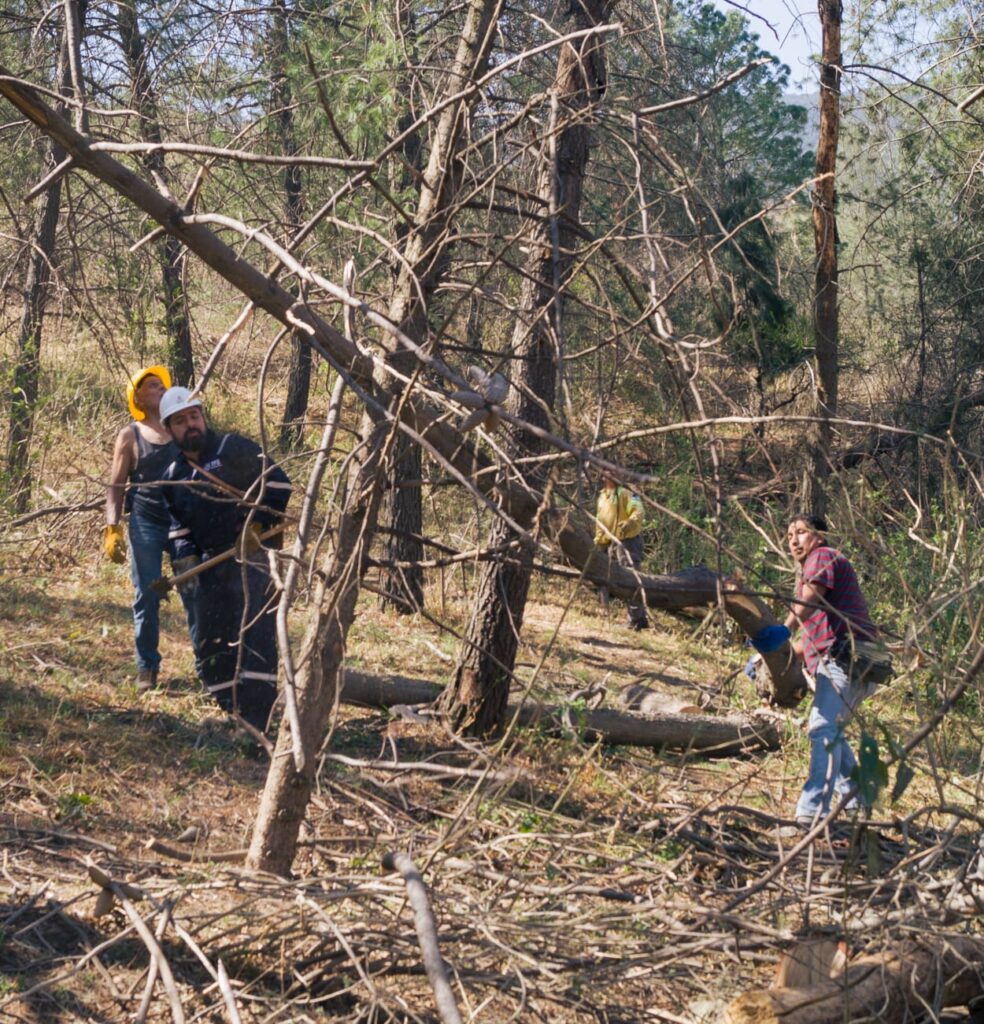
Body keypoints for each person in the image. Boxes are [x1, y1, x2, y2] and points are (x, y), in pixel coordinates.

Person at [159, 386, 292, 734]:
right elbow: (176, 522)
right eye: (180, 421)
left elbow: (279, 484)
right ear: (169, 430)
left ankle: (257, 720)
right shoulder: (173, 474)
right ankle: (231, 710)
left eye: (194, 416)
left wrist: (257, 524)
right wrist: (184, 556)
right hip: (209, 565)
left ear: (203, 416)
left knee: (255, 634)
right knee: (210, 640)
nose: (191, 425)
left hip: (252, 558)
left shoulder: (234, 448)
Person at [782, 513, 880, 825]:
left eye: (801, 532)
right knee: (832, 731)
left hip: (844, 661)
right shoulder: (817, 570)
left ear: (819, 536)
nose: (795, 540)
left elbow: (808, 602)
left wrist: (782, 631)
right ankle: (856, 802)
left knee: (822, 727)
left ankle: (812, 812)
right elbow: (808, 639)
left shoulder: (823, 557)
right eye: (789, 535)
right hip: (859, 665)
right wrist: (770, 655)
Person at [104, 365, 195, 691]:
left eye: (162, 385)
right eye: (151, 385)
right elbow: (115, 485)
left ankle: (207, 665)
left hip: (184, 525)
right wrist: (112, 527)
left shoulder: (183, 428)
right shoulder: (130, 435)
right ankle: (147, 668)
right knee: (147, 596)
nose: (159, 388)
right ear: (137, 399)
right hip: (146, 525)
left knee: (194, 592)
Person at [594, 472, 648, 630]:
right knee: (608, 577)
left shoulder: (627, 494)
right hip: (610, 542)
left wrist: (629, 523)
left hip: (628, 543)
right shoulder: (603, 497)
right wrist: (599, 540)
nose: (606, 479)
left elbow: (638, 511)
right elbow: (600, 520)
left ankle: (637, 619)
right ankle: (606, 611)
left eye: (610, 476)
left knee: (631, 578)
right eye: (604, 476)